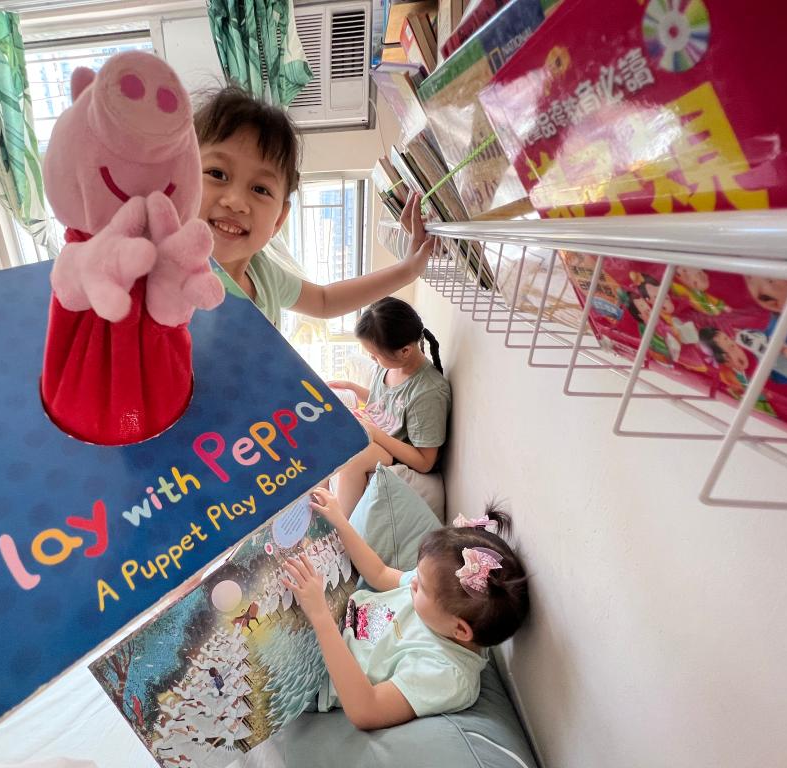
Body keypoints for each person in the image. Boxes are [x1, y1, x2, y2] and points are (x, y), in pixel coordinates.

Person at [282, 488, 529, 730]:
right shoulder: (440, 604)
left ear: (461, 630)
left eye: (422, 586)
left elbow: (366, 710)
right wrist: (340, 522)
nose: (412, 582)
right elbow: (380, 573)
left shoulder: (447, 673)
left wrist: (319, 615)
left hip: (314, 677)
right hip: (327, 616)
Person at [193, 86, 434, 329]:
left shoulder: (262, 273)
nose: (235, 201)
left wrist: (408, 270)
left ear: (279, 220)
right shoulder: (172, 288)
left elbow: (324, 301)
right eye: (217, 174)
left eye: (260, 189)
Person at [327, 297, 451, 515]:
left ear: (405, 351)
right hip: (377, 431)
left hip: (397, 452)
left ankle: (340, 524)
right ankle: (317, 499)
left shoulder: (428, 392)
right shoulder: (390, 367)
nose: (371, 358)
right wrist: (352, 387)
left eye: (375, 355)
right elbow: (386, 402)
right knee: (326, 424)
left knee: (354, 458)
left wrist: (374, 433)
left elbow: (425, 462)